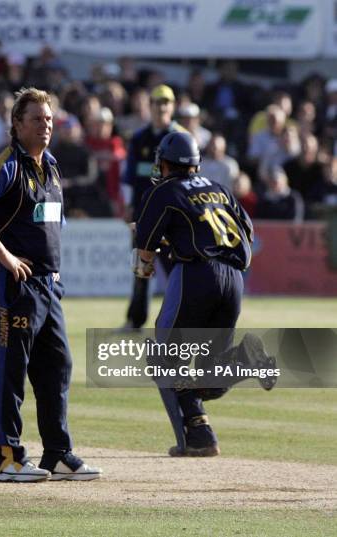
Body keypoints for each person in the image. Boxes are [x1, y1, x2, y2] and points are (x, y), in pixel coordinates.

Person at [0, 87, 102, 482]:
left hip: (48, 286)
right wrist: (5, 257)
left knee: (57, 365)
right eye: (37, 119)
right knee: (11, 366)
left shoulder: (51, 166)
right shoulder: (4, 165)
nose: (46, 127)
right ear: (17, 124)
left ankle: (57, 453)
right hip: (14, 283)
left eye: (50, 120)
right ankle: (7, 457)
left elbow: (52, 222)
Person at [133, 131, 275, 456]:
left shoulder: (165, 190)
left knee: (165, 360)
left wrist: (146, 262)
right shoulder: (219, 187)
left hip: (197, 274)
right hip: (234, 279)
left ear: (165, 162)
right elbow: (248, 231)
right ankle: (204, 429)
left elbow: (145, 246)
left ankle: (196, 433)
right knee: (212, 372)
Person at [121, 84, 185, 331]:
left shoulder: (179, 137)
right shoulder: (139, 139)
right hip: (144, 213)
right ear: (150, 106)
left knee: (175, 271)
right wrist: (128, 205)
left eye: (166, 102)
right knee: (141, 271)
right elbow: (130, 176)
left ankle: (179, 322)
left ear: (172, 105)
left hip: (172, 215)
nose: (162, 107)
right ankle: (135, 321)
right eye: (157, 102)